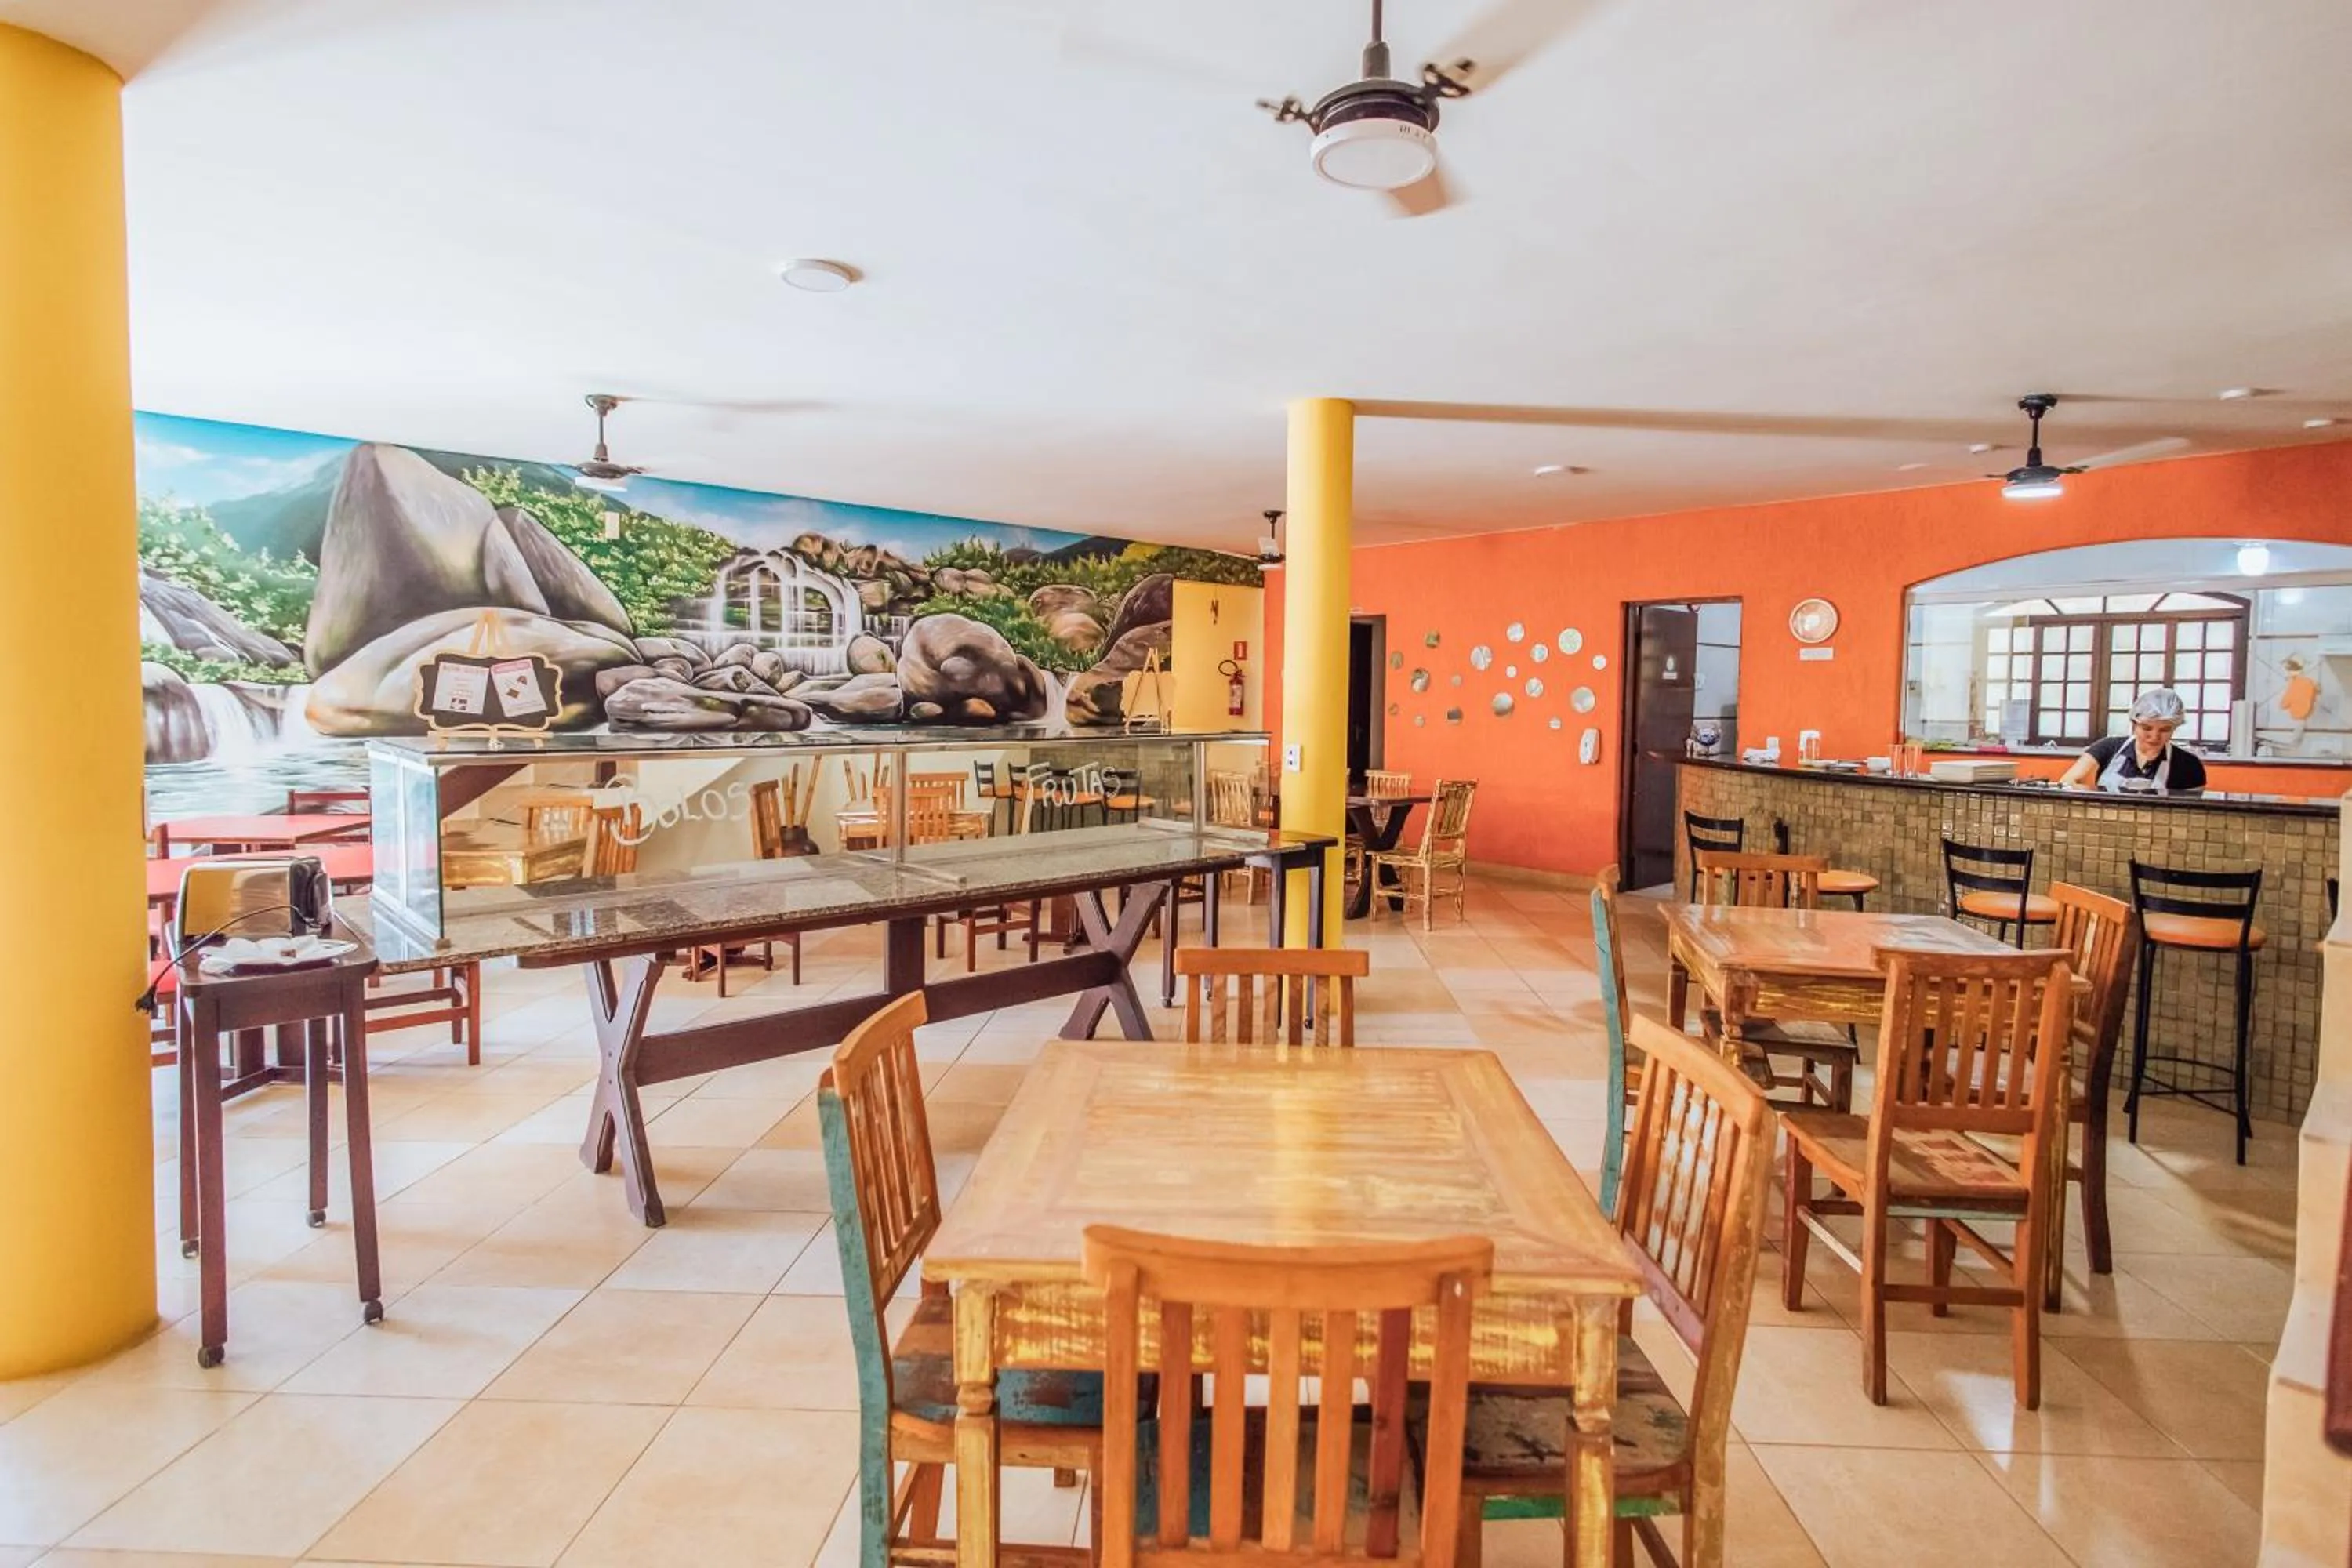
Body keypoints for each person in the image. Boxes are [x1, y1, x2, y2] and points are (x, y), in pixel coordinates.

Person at [2060, 688, 2209, 793]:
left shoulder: (2189, 765)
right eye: (2147, 728)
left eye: (2165, 730)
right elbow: (2066, 783)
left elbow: (2193, 813)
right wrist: (2101, 793)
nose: (2154, 736)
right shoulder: (2108, 747)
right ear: (2134, 723)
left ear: (2175, 728)